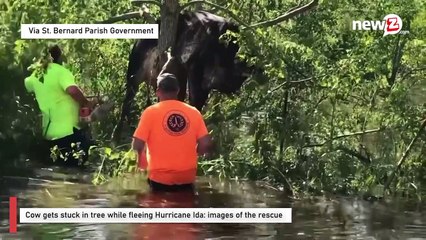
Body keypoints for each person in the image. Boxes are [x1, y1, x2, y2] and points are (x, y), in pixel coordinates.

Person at [132, 73, 213, 192]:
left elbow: (137, 145)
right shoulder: (193, 112)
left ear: (158, 91)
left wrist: (141, 160)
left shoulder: (151, 112)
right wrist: (195, 153)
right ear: (178, 90)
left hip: (159, 178)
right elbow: (205, 144)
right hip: (187, 177)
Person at [24, 44, 96, 167]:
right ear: (59, 57)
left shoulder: (36, 74)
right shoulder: (61, 71)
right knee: (77, 169)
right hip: (69, 134)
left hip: (49, 135)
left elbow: (27, 85)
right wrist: (86, 102)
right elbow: (72, 90)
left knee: (57, 169)